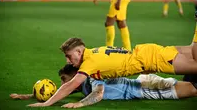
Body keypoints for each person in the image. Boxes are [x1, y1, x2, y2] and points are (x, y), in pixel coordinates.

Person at [27, 28, 197, 107]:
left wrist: (47, 104)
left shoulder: (89, 63)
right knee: (194, 52)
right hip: (147, 53)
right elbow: (71, 86)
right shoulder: (94, 52)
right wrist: (29, 95)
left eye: (69, 56)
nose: (68, 60)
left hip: (151, 59)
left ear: (79, 51)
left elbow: (71, 85)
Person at [11, 64, 197, 108]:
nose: (63, 85)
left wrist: (79, 104)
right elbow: (59, 93)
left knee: (193, 90)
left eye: (64, 79)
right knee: (191, 86)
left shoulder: (91, 77)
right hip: (142, 83)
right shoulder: (80, 83)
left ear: (75, 75)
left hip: (144, 87)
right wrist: (29, 95)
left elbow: (99, 94)